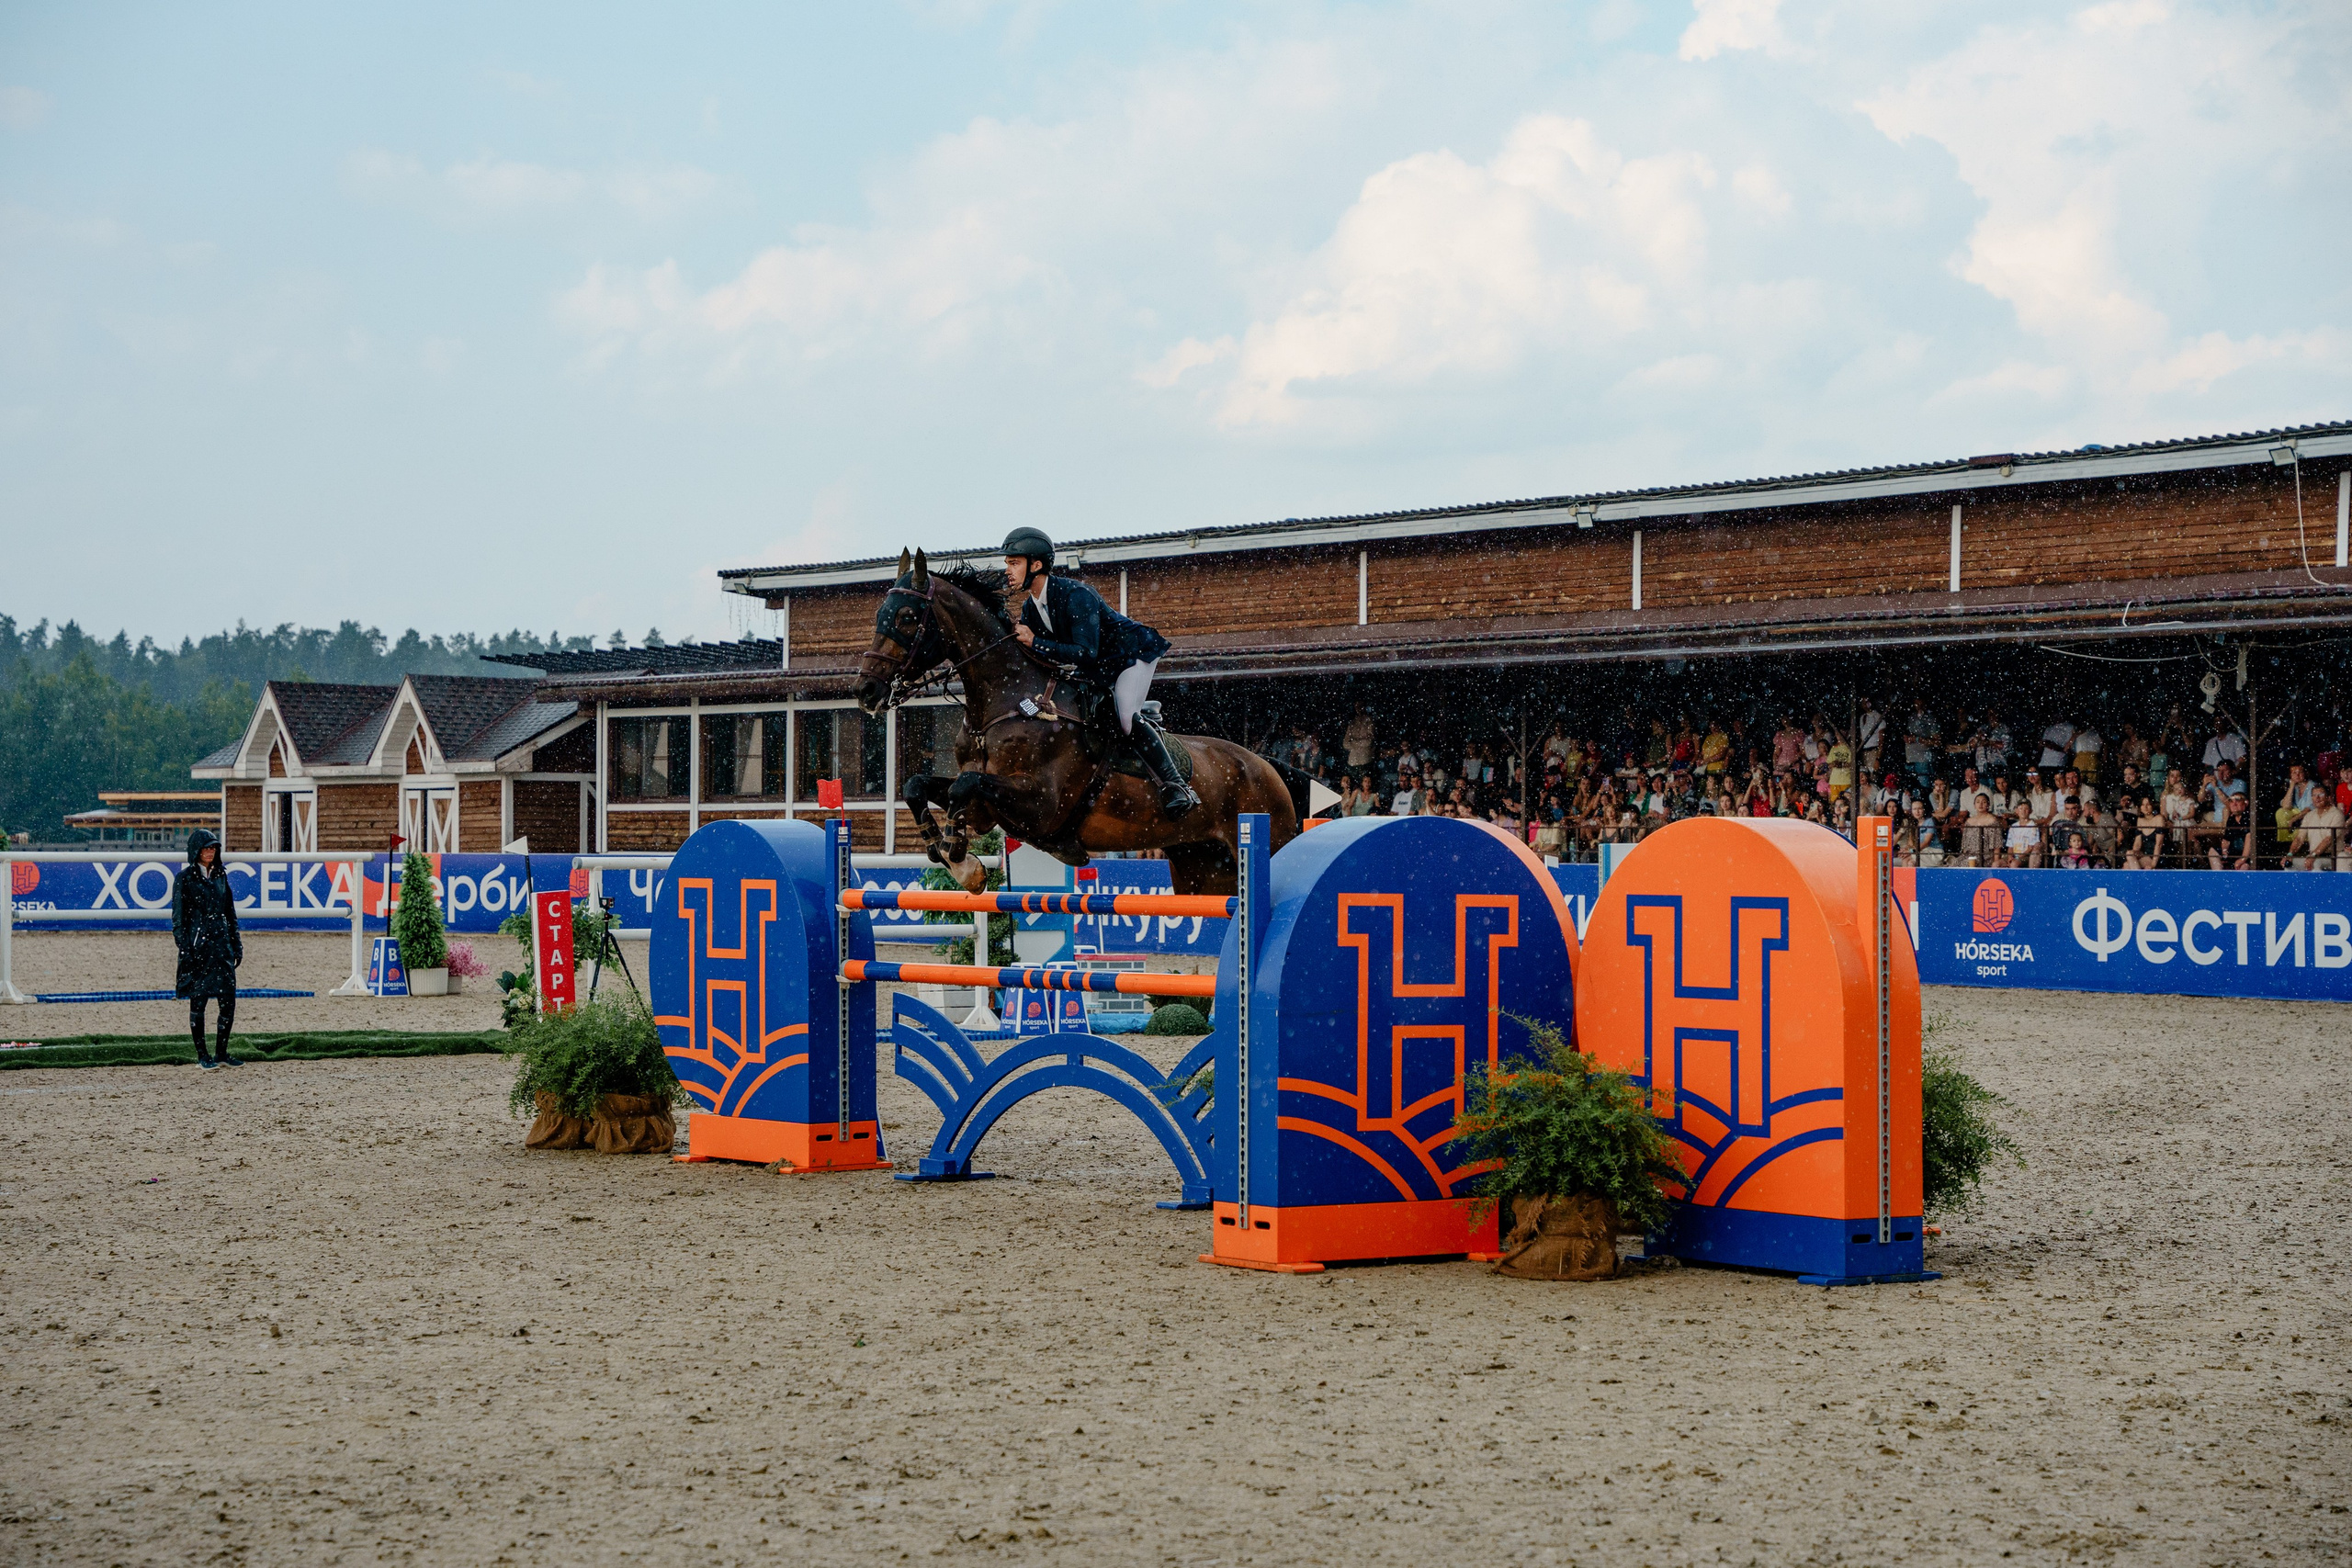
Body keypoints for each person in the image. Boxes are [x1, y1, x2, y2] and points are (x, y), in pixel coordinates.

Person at [1001, 526, 1197, 815]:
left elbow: (1085, 652)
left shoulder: (1076, 594)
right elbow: (1043, 658)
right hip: (1096, 668)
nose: (1007, 570)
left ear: (1036, 565)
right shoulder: (1031, 608)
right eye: (1007, 564)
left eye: (1014, 563)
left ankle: (1177, 786)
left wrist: (1035, 640)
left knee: (1127, 720)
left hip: (1130, 655)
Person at [173, 828, 243, 1069]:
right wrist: (185, 949)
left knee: (228, 1000)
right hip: (198, 947)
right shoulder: (184, 878)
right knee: (198, 1001)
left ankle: (222, 1053)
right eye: (206, 848)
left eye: (213, 848)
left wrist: (236, 943)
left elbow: (230, 912)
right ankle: (202, 1055)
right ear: (196, 851)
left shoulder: (221, 876)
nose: (210, 852)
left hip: (221, 946)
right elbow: (178, 920)